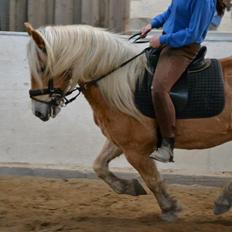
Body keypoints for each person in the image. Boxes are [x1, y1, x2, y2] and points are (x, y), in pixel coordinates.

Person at [140, 0, 226, 163]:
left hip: (184, 49)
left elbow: (192, 34)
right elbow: (170, 12)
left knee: (159, 89)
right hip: (170, 43)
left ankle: (167, 144)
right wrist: (151, 24)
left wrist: (163, 40)